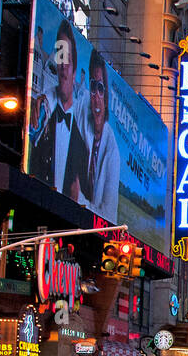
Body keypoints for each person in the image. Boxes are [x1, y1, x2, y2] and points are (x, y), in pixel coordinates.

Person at [30, 19, 89, 199]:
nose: (62, 65)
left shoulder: (81, 134)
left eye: (67, 59)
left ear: (74, 71)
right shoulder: (43, 109)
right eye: (59, 56)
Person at [81, 49, 121, 221]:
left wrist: (79, 201)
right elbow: (61, 92)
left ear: (106, 98)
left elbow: (109, 218)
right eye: (92, 87)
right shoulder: (81, 113)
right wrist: (43, 98)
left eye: (101, 89)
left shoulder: (112, 152)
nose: (96, 96)